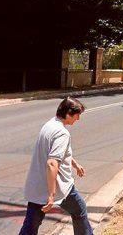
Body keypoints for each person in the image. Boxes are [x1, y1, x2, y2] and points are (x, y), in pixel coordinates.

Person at [19, 97, 93, 235]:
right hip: (58, 187)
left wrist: (74, 164)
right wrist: (51, 195)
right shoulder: (62, 133)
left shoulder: (49, 125)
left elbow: (56, 152)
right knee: (79, 210)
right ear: (69, 113)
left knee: (31, 225)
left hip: (37, 186)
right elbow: (52, 163)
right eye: (77, 115)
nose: (78, 119)